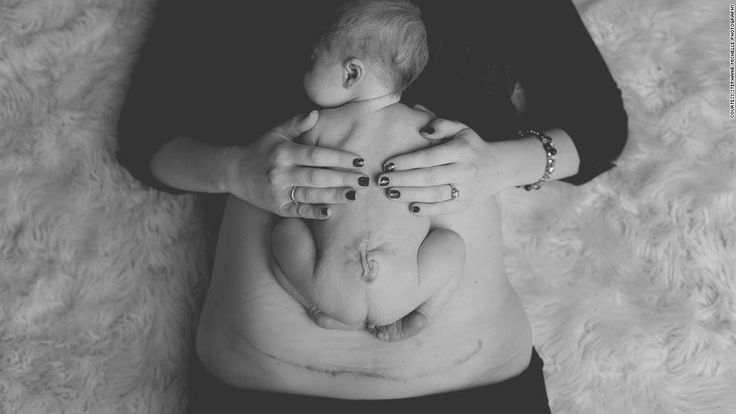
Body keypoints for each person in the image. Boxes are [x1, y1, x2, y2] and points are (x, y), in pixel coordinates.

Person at [115, 0, 628, 411]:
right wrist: (233, 169)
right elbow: (145, 141)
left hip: (474, 388)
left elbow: (599, 128)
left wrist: (498, 166)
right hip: (262, 390)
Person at [271, 0, 464, 341]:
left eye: (313, 59)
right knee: (451, 244)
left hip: (327, 284)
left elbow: (282, 167)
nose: (306, 68)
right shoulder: (424, 125)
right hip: (403, 289)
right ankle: (426, 311)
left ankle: (314, 306)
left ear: (351, 73)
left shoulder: (315, 125)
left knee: (282, 233)